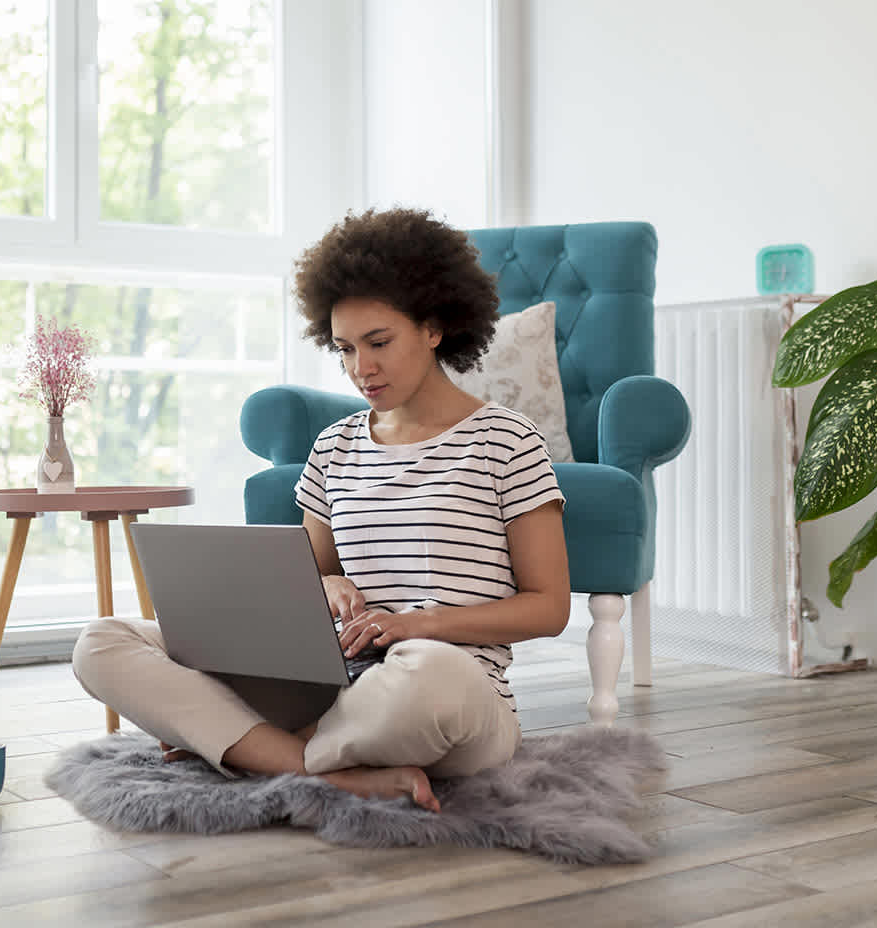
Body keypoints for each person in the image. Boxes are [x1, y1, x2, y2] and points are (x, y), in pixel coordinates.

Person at [71, 208, 570, 812]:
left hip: (447, 692)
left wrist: (417, 624)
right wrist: (329, 589)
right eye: (345, 349)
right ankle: (325, 769)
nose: (362, 368)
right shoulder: (334, 447)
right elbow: (312, 574)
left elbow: (549, 608)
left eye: (379, 342)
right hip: (335, 687)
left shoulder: (506, 440)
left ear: (434, 327)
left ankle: (250, 751)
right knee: (103, 641)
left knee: (427, 673)